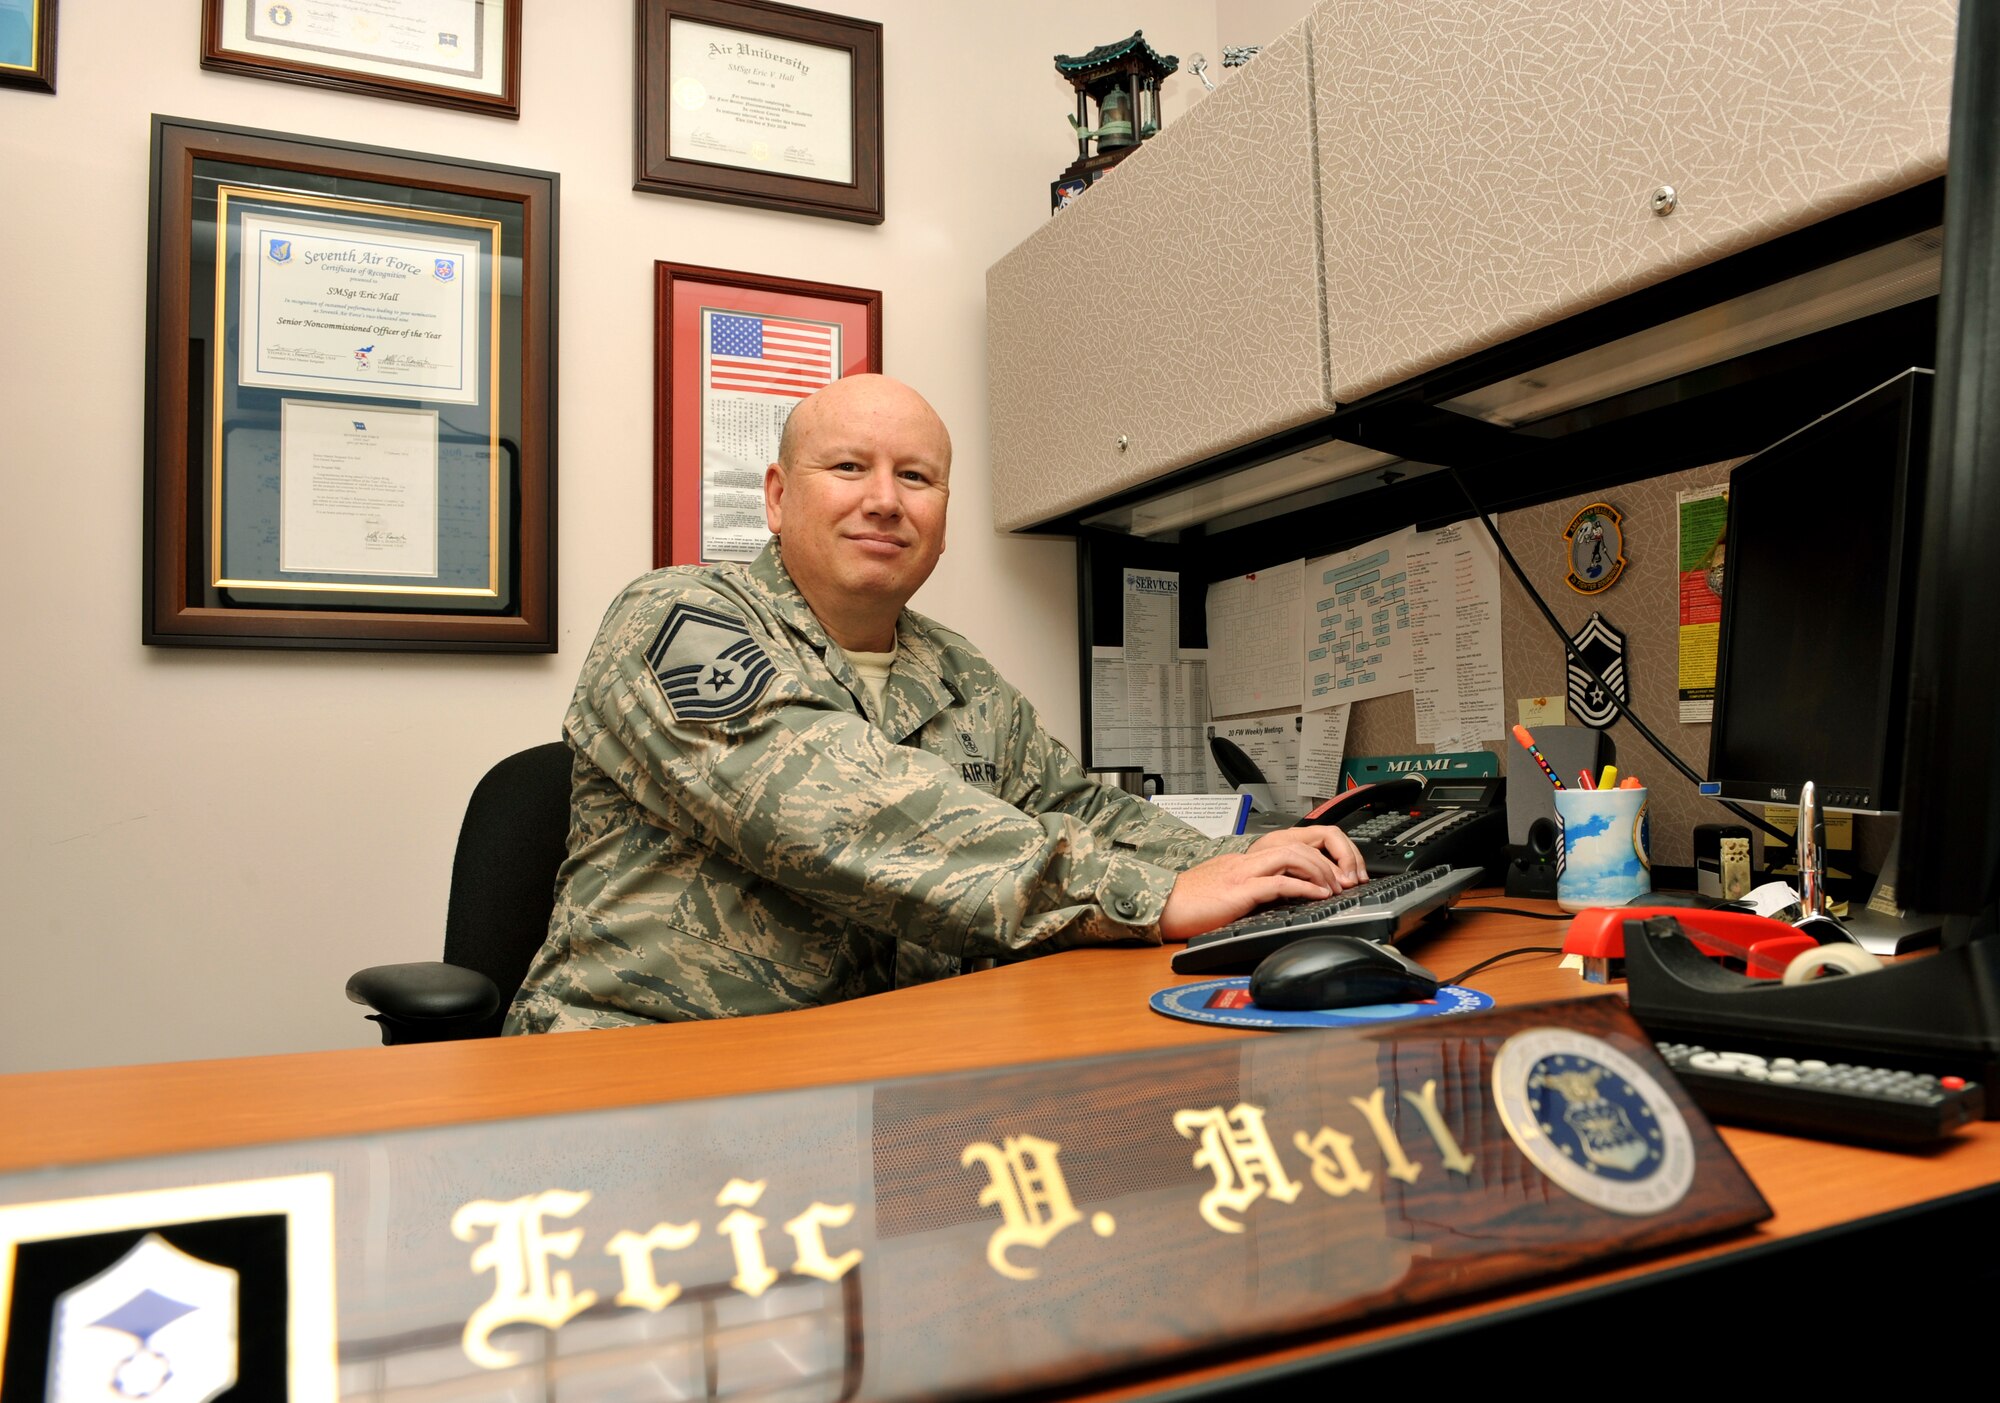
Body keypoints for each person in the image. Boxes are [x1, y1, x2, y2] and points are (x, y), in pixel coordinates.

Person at [505, 375, 1365, 1033]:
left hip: (876, 1075)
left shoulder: (956, 671)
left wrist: (1270, 871)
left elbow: (1075, 807)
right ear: (776, 496)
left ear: (943, 514)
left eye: (916, 477)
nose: (885, 499)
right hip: (637, 1069)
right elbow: (840, 808)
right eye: (848, 468)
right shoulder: (675, 618)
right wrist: (1152, 893)